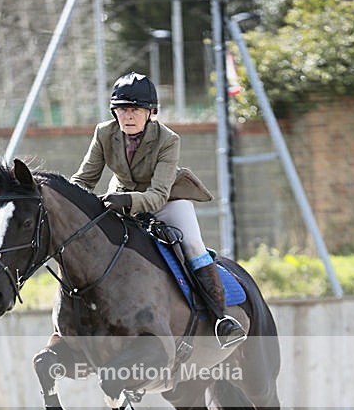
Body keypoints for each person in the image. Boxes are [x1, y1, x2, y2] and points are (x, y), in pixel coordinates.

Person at [70, 71, 246, 348]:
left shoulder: (168, 139)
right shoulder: (104, 133)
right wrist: (70, 199)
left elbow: (157, 195)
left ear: (151, 112)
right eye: (122, 110)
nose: (127, 117)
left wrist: (126, 201)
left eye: (135, 110)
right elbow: (84, 179)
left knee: (193, 245)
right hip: (122, 198)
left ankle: (220, 319)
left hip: (167, 201)